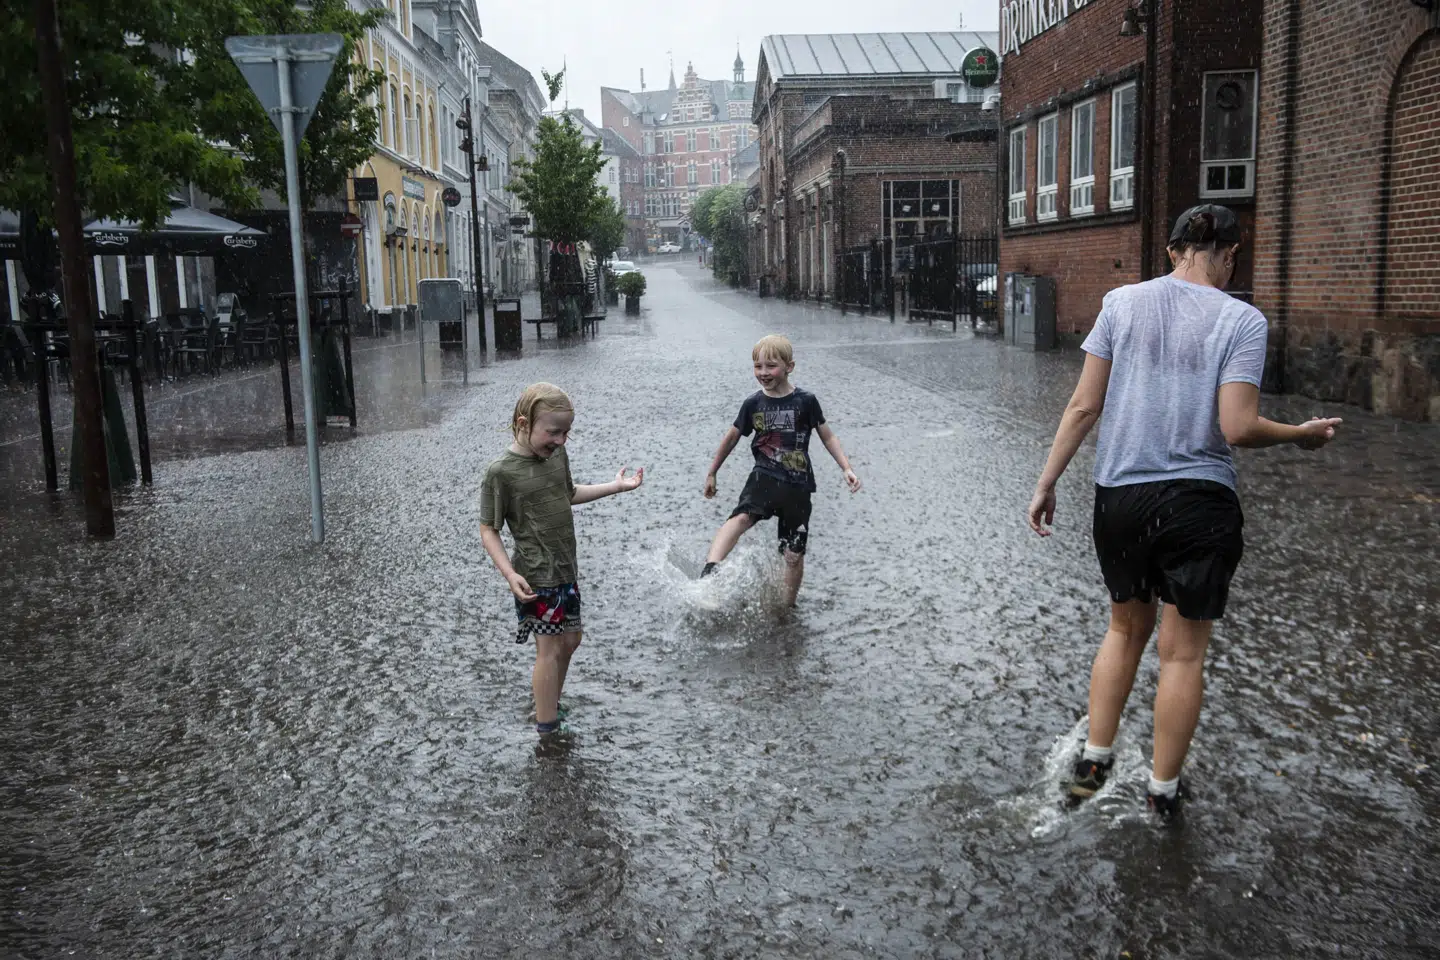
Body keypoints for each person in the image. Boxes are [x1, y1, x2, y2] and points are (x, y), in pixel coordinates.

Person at [1027, 204, 1341, 822]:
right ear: (1230, 254)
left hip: (1122, 497)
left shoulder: (1120, 303)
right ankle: (1162, 792)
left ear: (1173, 251)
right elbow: (1238, 427)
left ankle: (1092, 768)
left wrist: (1047, 482)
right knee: (1182, 654)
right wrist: (1299, 435)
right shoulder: (1242, 320)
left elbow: (1084, 406)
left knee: (1124, 629)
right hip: (1199, 503)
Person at [479, 383, 644, 736]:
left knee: (571, 640)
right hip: (536, 575)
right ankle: (547, 727)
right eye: (553, 432)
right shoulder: (501, 472)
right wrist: (509, 573)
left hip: (565, 569)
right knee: (550, 648)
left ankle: (549, 701)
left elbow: (568, 493)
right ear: (524, 423)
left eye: (566, 432)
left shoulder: (556, 456)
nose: (561, 440)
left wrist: (614, 487)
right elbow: (488, 529)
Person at [702, 334, 862, 606]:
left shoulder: (806, 401)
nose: (763, 373)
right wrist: (712, 471)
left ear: (790, 367)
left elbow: (827, 436)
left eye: (771, 366)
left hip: (798, 486)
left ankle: (787, 607)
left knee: (793, 554)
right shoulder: (753, 403)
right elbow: (731, 437)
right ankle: (710, 571)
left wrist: (846, 467)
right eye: (758, 366)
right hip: (764, 476)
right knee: (741, 518)